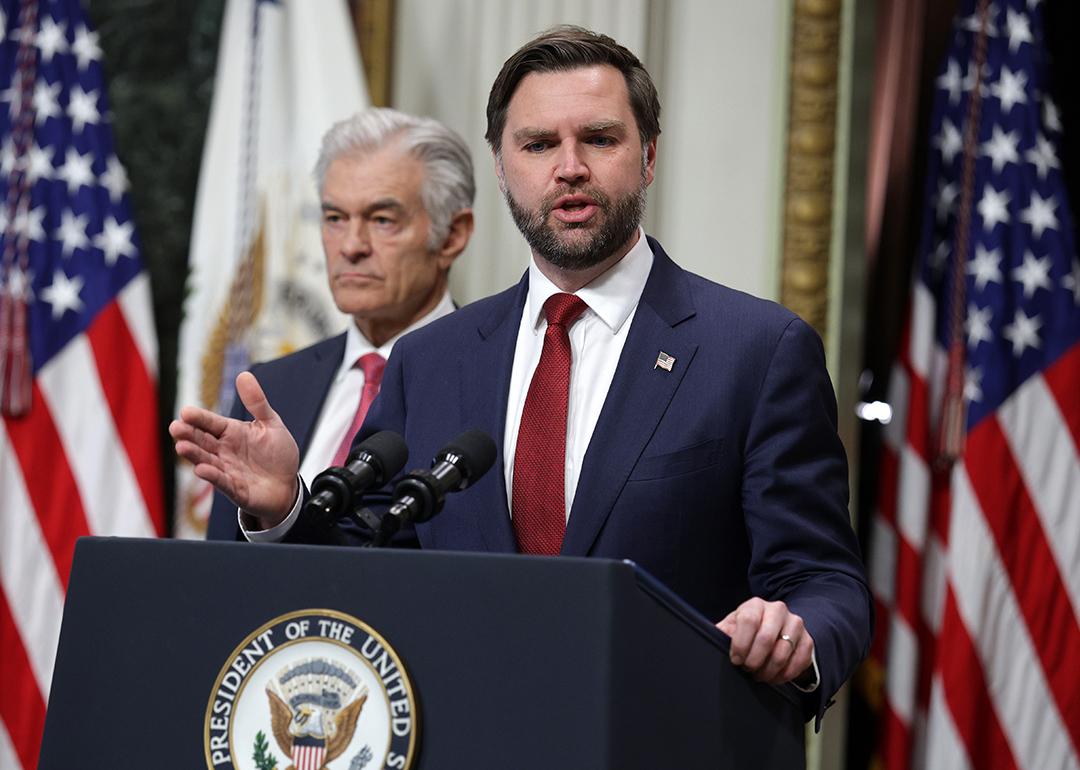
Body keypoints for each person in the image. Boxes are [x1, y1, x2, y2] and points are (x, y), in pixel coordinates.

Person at [172, 27, 870, 725]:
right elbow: (371, 572)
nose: (569, 167)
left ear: (649, 156)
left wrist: (797, 637)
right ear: (503, 170)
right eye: (538, 145)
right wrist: (284, 505)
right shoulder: (433, 361)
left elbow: (823, 581)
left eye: (599, 139)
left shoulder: (754, 350)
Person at [201, 108, 475, 541]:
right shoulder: (270, 389)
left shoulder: (491, 379)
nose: (351, 246)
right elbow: (219, 574)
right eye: (334, 218)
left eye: (382, 220)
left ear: (452, 235)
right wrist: (274, 517)